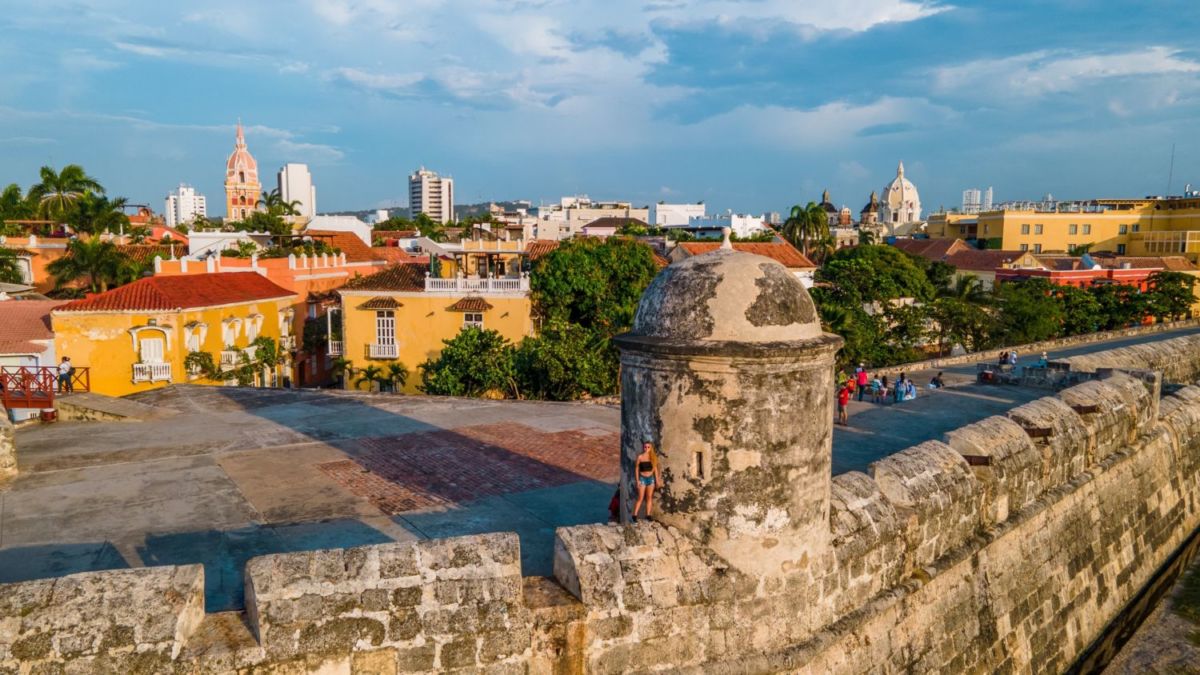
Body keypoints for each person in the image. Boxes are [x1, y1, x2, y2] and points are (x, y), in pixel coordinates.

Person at [631, 437, 662, 523]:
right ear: (643, 447)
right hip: (642, 479)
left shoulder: (653, 457)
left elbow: (655, 470)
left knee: (649, 497)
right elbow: (636, 469)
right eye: (645, 447)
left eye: (648, 447)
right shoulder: (640, 457)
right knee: (640, 497)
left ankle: (648, 515)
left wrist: (657, 481)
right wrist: (637, 480)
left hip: (651, 479)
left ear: (651, 448)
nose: (646, 448)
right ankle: (634, 515)